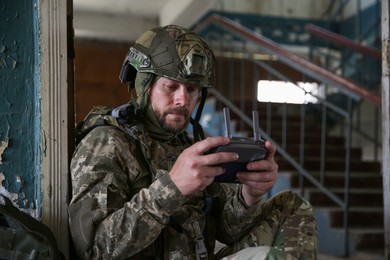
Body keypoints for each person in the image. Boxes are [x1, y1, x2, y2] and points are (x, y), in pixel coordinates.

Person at [68, 25, 317, 260]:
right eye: (171, 87)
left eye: (192, 89)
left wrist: (249, 195)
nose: (182, 100)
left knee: (291, 206)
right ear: (144, 85)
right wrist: (171, 188)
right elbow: (94, 249)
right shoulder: (106, 143)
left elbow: (227, 231)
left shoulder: (189, 145)